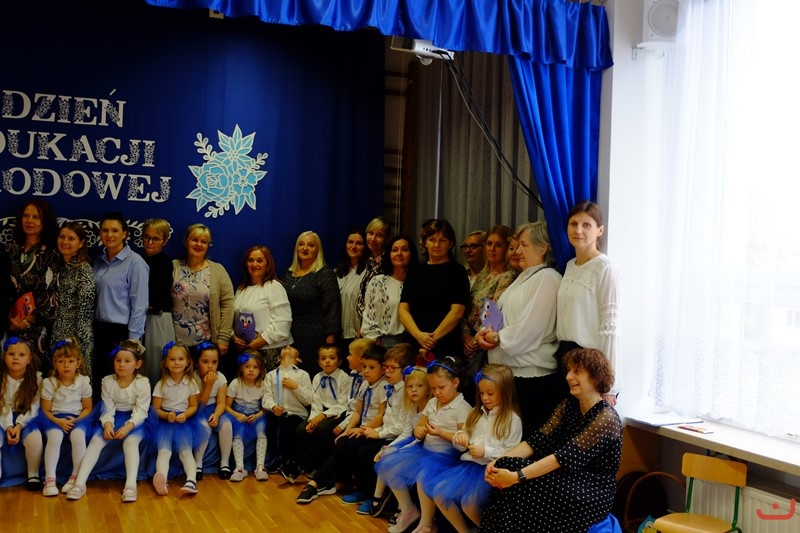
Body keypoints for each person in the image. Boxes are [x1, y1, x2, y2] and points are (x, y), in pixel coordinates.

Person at [481, 348, 622, 533]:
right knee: (506, 464)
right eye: (569, 371)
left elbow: (561, 458)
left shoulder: (606, 417)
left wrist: (516, 477)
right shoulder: (568, 406)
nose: (568, 376)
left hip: (593, 490)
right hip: (568, 476)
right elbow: (536, 441)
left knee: (515, 476)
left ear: (596, 377)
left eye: (577, 371)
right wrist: (496, 462)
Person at [476, 222, 564, 433]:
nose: (517, 251)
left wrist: (496, 338)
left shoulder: (547, 278)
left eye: (524, 245)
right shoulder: (523, 277)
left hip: (530, 380)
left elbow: (530, 329)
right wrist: (483, 333)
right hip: (508, 376)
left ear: (542, 248)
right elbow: (499, 317)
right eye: (516, 246)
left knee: (525, 437)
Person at [375, 356, 472, 533]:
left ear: (455, 382)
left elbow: (463, 440)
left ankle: (426, 523)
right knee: (389, 463)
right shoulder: (433, 403)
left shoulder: (462, 408)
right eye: (433, 388)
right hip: (425, 450)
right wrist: (420, 431)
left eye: (441, 387)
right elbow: (420, 425)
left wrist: (441, 433)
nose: (437, 392)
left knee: (423, 476)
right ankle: (408, 510)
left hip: (446, 456)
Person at [431, 364, 523, 531]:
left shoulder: (511, 419)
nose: (485, 398)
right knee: (439, 492)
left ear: (505, 391)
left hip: (491, 471)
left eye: (490, 393)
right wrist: (461, 438)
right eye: (481, 393)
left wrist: (485, 451)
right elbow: (464, 434)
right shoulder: (476, 413)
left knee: (469, 503)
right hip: (468, 466)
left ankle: (486, 529)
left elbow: (512, 453)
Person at [295, 344, 387, 504]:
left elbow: (381, 415)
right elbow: (357, 411)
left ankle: (317, 483)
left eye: (371, 367)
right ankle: (320, 483)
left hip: (375, 430)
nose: (366, 371)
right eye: (364, 366)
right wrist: (347, 430)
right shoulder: (365, 384)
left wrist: (362, 429)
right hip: (362, 427)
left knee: (350, 447)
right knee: (342, 441)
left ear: (383, 368)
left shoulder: (384, 386)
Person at [66, 340, 151, 503]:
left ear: (138, 364)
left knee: (130, 442)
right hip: (112, 416)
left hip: (134, 421)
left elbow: (141, 410)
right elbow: (107, 407)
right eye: (118, 360)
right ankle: (80, 483)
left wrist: (127, 427)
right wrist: (107, 425)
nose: (122, 365)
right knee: (96, 440)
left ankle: (130, 486)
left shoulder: (142, 383)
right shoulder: (108, 381)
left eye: (127, 361)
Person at [557, 201, 622, 406]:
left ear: (599, 230)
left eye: (586, 225)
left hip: (588, 364)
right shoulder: (569, 266)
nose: (578, 230)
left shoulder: (605, 268)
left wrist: (609, 386)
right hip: (565, 358)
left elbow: (610, 327)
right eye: (573, 224)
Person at [343, 342, 416, 515]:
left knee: (365, 452)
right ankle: (362, 488)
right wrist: (373, 431)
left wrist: (378, 433)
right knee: (349, 443)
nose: (387, 371)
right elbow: (387, 417)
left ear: (405, 370)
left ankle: (374, 495)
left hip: (398, 437)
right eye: (386, 367)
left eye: (392, 368)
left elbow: (402, 427)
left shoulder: (407, 391)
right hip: (387, 431)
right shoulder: (391, 387)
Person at [93, 212, 149, 400]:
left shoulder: (135, 263)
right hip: (98, 330)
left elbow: (139, 305)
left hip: (120, 333)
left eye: (115, 230)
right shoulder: (98, 262)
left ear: (124, 234)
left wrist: (132, 342)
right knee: (100, 381)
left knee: (118, 386)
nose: (110, 235)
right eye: (105, 230)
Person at [399, 219, 470, 360]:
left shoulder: (458, 272)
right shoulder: (415, 272)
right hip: (413, 343)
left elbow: (457, 312)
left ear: (451, 243)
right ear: (425, 242)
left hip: (444, 344)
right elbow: (403, 309)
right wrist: (418, 335)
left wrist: (430, 340)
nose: (436, 245)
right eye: (432, 240)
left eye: (442, 240)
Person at [278, 343, 349, 484]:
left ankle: (301, 466)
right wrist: (312, 420)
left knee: (322, 429)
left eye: (332, 358)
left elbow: (343, 404)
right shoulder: (317, 377)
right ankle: (311, 467)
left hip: (338, 414)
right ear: (319, 362)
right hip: (320, 413)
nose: (327, 361)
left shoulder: (344, 378)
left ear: (339, 361)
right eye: (323, 358)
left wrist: (322, 416)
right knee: (302, 429)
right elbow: (316, 402)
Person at [371, 364, 432, 523]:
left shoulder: (430, 408)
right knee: (386, 452)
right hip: (412, 442)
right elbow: (405, 433)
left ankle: (402, 507)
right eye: (410, 386)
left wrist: (399, 450)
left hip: (423, 447)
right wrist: (389, 447)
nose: (414, 390)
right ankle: (392, 501)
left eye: (419, 386)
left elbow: (419, 439)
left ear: (428, 388)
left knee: (392, 459)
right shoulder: (411, 407)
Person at [461, 225, 518, 393]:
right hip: (468, 341)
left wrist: (474, 341)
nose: (492, 249)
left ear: (507, 249)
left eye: (498, 245)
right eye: (489, 244)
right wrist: (465, 335)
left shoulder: (508, 276)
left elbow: (494, 315)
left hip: (485, 345)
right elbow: (467, 310)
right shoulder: (481, 276)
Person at [6, 200, 59, 365]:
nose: (29, 221)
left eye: (36, 217)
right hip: (9, 325)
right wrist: (10, 321)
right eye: (26, 216)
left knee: (33, 374)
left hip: (37, 328)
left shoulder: (51, 254)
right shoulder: (11, 249)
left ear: (45, 222)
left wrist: (27, 322)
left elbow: (50, 293)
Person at [37, 338, 93, 497]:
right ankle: (50, 479)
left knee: (78, 435)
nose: (66, 365)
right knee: (54, 436)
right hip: (55, 418)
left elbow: (88, 408)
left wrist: (77, 420)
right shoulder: (50, 383)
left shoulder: (83, 382)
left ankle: (76, 477)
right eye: (61, 361)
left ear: (78, 363)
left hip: (78, 417)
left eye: (70, 361)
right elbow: (45, 410)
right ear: (55, 364)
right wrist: (57, 421)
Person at [282, 231, 341, 376]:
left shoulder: (324, 274)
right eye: (301, 244)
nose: (305, 248)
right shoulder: (289, 274)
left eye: (310, 245)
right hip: (292, 336)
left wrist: (329, 341)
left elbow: (333, 307)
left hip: (317, 337)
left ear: (318, 250)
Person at [172, 223, 234, 359]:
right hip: (174, 342)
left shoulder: (218, 270)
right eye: (194, 240)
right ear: (186, 242)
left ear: (208, 245)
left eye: (204, 242)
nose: (199, 244)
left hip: (206, 343)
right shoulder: (173, 266)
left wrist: (223, 338)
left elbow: (228, 305)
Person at [230, 245, 292, 378]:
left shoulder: (274, 286)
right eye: (250, 260)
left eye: (259, 260)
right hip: (247, 352)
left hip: (271, 352)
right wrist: (234, 337)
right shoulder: (241, 288)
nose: (254, 264)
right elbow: (233, 318)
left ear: (268, 265)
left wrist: (259, 341)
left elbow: (283, 323)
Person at [151, 342, 202, 497]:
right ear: (165, 363)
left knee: (185, 452)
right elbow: (155, 409)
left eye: (180, 359)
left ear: (187, 362)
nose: (176, 362)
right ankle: (161, 477)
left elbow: (194, 406)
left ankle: (191, 480)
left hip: (183, 422)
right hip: (165, 423)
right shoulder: (161, 384)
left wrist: (185, 414)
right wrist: (166, 415)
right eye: (172, 359)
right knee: (164, 451)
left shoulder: (191, 383)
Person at [50, 222, 95, 378]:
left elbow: (85, 313)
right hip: (56, 332)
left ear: (81, 243)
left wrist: (77, 343)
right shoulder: (57, 266)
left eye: (71, 238)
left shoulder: (83, 270)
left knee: (77, 382)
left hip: (75, 337)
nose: (65, 242)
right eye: (62, 237)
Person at [0, 337, 44, 490]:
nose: (16, 358)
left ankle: (33, 474)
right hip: (2, 416)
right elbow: (2, 406)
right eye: (11, 354)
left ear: (29, 359)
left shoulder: (37, 379)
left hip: (27, 416)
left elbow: (34, 406)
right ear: (4, 357)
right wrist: (8, 426)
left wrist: (19, 425)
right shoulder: (2, 379)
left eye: (21, 355)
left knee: (34, 437)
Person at [361, 235, 418, 347]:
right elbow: (369, 316)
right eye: (395, 250)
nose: (399, 253)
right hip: (385, 343)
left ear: (412, 254)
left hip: (413, 343)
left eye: (405, 250)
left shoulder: (419, 282)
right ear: (389, 254)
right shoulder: (378, 282)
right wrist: (378, 344)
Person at [262, 345, 312, 473]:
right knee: (271, 426)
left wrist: (295, 387)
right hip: (276, 413)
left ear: (298, 359)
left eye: (292, 347)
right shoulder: (271, 375)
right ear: (278, 359)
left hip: (296, 413)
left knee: (289, 427)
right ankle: (276, 458)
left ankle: (287, 459)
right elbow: (267, 396)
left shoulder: (303, 374)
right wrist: (273, 406)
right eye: (285, 347)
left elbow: (308, 400)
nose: (288, 346)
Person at [141, 218, 176, 387]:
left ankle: (158, 398)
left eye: (155, 239)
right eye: (147, 237)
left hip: (158, 318)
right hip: (139, 317)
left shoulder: (165, 262)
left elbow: (158, 292)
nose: (150, 242)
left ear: (164, 241)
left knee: (156, 363)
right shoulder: (137, 259)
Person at [223, 351, 267, 482]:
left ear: (260, 370)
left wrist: (257, 415)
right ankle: (240, 468)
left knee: (261, 432)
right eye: (247, 366)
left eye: (255, 367)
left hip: (256, 415)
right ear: (242, 368)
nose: (251, 370)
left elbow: (265, 407)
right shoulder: (235, 383)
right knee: (238, 435)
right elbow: (226, 406)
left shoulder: (262, 385)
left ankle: (260, 466)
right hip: (238, 415)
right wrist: (237, 415)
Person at [192, 341, 233, 480]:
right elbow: (199, 405)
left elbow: (221, 402)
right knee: (203, 426)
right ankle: (198, 464)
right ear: (197, 363)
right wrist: (208, 386)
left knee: (226, 425)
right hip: (198, 410)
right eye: (205, 362)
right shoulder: (193, 378)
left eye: (214, 362)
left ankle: (224, 463)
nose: (210, 366)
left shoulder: (220, 377)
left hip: (215, 409)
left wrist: (216, 415)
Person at [334, 229, 367, 358]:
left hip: (357, 336)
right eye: (350, 242)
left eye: (359, 243)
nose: (353, 246)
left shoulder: (368, 273)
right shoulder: (337, 272)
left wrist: (361, 330)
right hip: (337, 335)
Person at [354, 217, 390, 334]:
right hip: (365, 325)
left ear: (386, 238)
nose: (373, 239)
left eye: (379, 235)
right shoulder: (368, 260)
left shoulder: (389, 262)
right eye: (370, 233)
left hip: (382, 328)